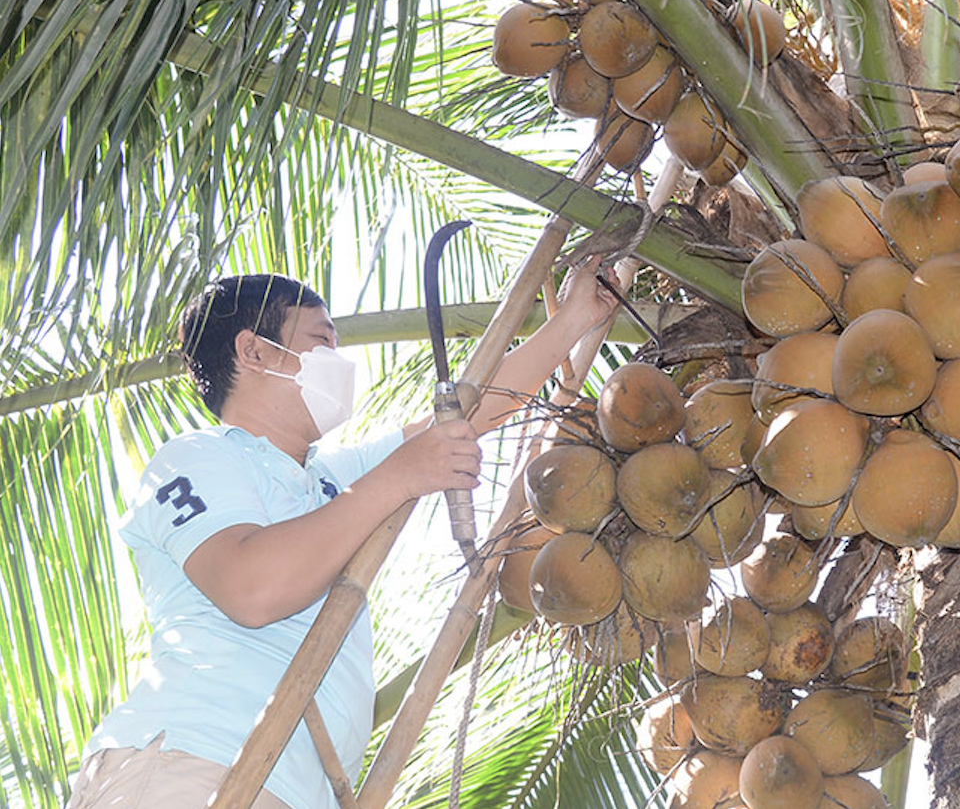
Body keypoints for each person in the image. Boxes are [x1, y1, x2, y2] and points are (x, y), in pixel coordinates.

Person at [66, 261, 619, 809]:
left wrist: (574, 318)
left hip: (288, 791)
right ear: (254, 351)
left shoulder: (330, 482)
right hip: (190, 763)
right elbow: (251, 588)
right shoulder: (197, 457)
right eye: (321, 341)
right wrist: (400, 475)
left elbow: (471, 412)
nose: (339, 361)